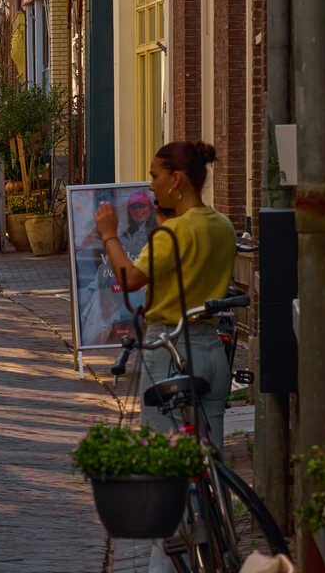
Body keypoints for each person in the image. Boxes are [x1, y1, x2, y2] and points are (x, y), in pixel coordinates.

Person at [95, 142, 235, 573]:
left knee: (165, 472)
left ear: (177, 179)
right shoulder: (223, 226)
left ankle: (166, 566)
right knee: (211, 457)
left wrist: (109, 234)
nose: (151, 184)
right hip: (211, 350)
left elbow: (130, 279)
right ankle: (221, 537)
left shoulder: (174, 233)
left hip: (171, 351)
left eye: (155, 175)